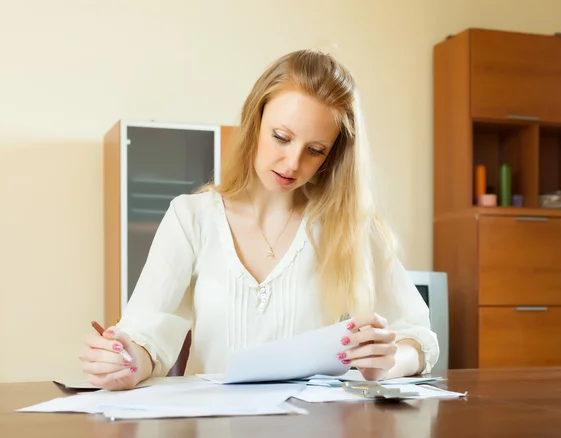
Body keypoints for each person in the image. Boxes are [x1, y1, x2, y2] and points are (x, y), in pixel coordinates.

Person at [79, 49, 440, 391]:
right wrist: (122, 364)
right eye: (281, 137)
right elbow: (145, 341)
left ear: (332, 156)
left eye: (315, 151)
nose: (292, 163)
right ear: (255, 121)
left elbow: (419, 336)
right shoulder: (191, 218)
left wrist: (389, 362)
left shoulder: (350, 226)